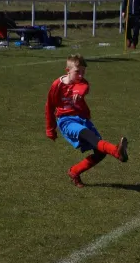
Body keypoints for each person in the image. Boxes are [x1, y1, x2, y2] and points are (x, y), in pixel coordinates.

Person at [45, 54, 129, 188]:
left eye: (83, 72)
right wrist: (50, 129)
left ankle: (74, 172)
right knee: (88, 135)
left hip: (82, 119)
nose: (80, 75)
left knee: (100, 153)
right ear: (68, 70)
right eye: (77, 72)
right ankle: (116, 151)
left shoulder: (81, 83)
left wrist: (79, 92)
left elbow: (84, 87)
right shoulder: (56, 85)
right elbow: (49, 106)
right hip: (66, 121)